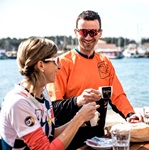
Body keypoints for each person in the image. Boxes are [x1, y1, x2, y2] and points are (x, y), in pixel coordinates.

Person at [47, 10, 141, 149]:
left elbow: (118, 96)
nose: (89, 37)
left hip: (99, 140)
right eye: (84, 32)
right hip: (69, 140)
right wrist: (78, 100)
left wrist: (130, 115)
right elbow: (53, 108)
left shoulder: (105, 62)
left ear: (100, 33)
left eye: (93, 32)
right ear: (76, 32)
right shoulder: (62, 63)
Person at [0, 37, 99, 150]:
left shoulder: (43, 93)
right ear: (41, 65)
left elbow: (49, 135)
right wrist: (79, 119)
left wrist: (80, 119)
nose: (59, 66)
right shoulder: (18, 103)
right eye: (55, 61)